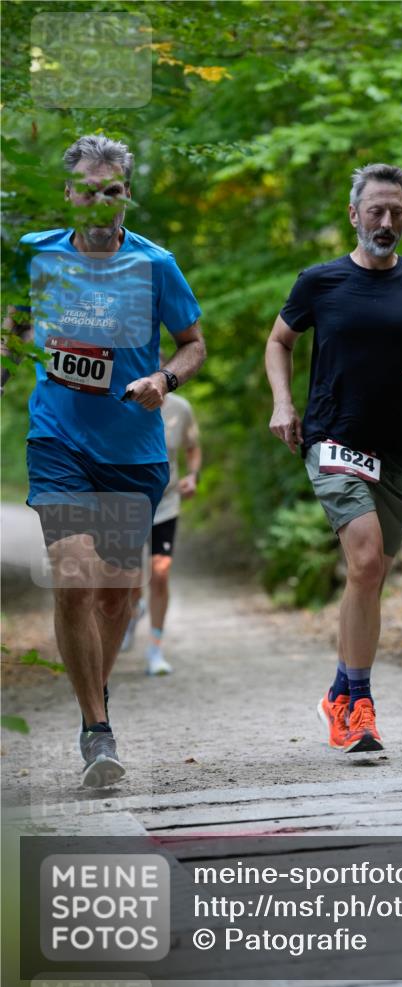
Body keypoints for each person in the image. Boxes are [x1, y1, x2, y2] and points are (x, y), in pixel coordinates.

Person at [1, 134, 206, 787]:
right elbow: (15, 329)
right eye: (86, 190)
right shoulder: (33, 257)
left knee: (118, 595)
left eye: (111, 191)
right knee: (74, 574)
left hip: (135, 451)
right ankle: (96, 729)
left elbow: (193, 344)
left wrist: (164, 382)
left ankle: (98, 698)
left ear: (126, 195)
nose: (98, 202)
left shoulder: (156, 265)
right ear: (67, 194)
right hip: (58, 439)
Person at [265, 163, 402, 754]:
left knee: (369, 577)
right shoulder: (320, 282)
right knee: (367, 561)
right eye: (375, 210)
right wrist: (283, 403)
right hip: (334, 438)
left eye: (396, 211)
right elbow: (279, 341)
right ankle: (359, 705)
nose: (386, 221)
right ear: (353, 214)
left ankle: (338, 691)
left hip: (398, 449)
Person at [121, 386, 202, 676]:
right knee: (129, 575)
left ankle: (155, 648)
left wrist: (193, 476)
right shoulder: (123, 403)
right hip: (128, 503)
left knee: (160, 572)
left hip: (166, 501)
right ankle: (132, 611)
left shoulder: (180, 408)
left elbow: (192, 448)